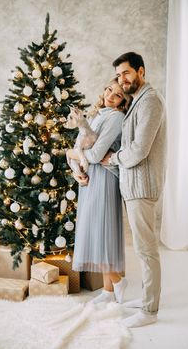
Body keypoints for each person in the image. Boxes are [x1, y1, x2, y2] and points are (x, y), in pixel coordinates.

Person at [102, 52, 167, 327]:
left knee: (147, 250)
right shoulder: (135, 102)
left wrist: (113, 159)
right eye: (118, 75)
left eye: (126, 73)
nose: (122, 79)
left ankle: (150, 312)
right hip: (133, 186)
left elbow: (139, 149)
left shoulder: (150, 100)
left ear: (141, 71)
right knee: (142, 249)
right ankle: (145, 300)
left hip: (142, 187)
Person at [67, 78, 131, 304]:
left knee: (100, 233)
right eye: (109, 89)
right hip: (89, 179)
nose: (110, 95)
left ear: (123, 102)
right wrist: (75, 170)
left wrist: (71, 153)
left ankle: (117, 280)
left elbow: (94, 155)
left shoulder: (116, 117)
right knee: (98, 231)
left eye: (117, 95)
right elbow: (79, 147)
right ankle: (108, 291)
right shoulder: (96, 114)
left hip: (104, 179)